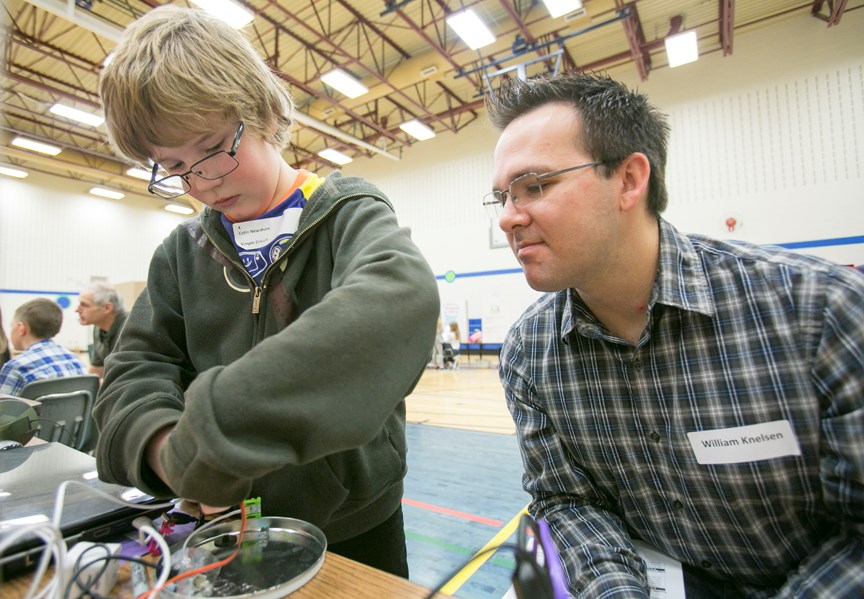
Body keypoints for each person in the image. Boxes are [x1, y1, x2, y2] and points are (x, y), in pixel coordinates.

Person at [484, 72, 864, 598]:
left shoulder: (820, 310)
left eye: (534, 186)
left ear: (629, 180)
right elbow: (567, 500)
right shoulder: (529, 352)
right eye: (501, 196)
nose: (507, 218)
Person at [92, 5, 439, 577]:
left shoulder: (346, 212)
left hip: (356, 524)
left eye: (211, 148)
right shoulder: (181, 254)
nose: (202, 182)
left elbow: (399, 300)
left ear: (262, 109)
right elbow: (135, 369)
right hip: (223, 530)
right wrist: (166, 450)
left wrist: (221, 428)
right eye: (174, 167)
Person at [0, 299, 86, 395]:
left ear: (21, 328)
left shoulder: (16, 367)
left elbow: (4, 408)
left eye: (12, 325)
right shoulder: (75, 360)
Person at [76, 282, 128, 377]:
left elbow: (126, 374)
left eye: (84, 305)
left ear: (107, 307)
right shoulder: (98, 328)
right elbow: (97, 368)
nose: (76, 309)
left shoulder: (130, 327)